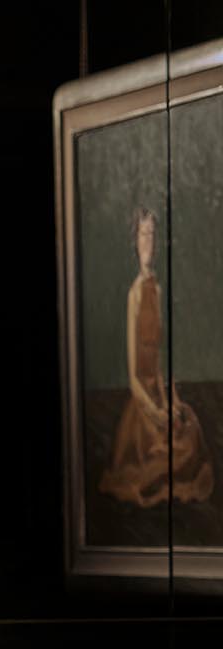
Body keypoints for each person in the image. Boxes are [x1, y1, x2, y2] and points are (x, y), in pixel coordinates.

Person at [99, 206, 213, 507]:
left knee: (189, 430)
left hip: (158, 394)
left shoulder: (157, 290)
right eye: (142, 234)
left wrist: (169, 401)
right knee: (162, 457)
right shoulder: (134, 294)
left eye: (151, 234)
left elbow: (158, 362)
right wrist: (155, 411)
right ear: (134, 241)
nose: (148, 241)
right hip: (141, 404)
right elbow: (134, 379)